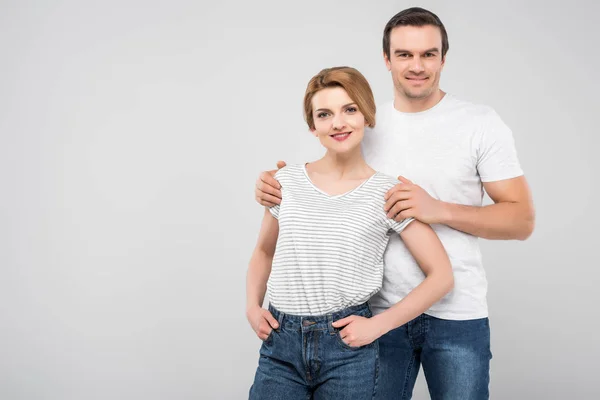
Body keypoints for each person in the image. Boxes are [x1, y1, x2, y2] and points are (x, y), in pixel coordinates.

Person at [254, 7, 535, 400]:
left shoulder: (479, 123)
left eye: (428, 54)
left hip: (456, 313)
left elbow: (521, 220)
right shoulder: (363, 121)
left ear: (443, 58)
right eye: (404, 54)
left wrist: (438, 209)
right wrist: (276, 184)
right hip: (373, 313)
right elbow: (326, 181)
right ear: (386, 59)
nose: (416, 65)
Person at [246, 66, 454, 400]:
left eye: (350, 109)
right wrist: (252, 307)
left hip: (347, 350)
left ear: (366, 115)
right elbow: (263, 252)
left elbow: (441, 275)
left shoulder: (387, 192)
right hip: (280, 346)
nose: (338, 123)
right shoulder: (285, 182)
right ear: (313, 127)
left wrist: (378, 325)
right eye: (325, 114)